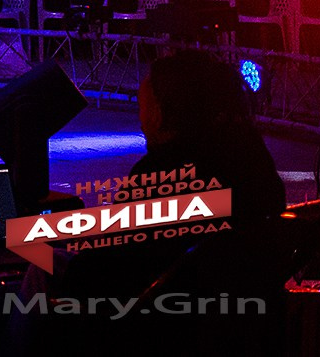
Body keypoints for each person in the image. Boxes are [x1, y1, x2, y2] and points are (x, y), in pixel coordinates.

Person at [39, 49, 286, 350]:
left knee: (41, 269)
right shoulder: (249, 156)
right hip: (237, 324)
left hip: (157, 327)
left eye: (143, 107)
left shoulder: (160, 174)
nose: (140, 121)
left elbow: (108, 268)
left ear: (160, 112)